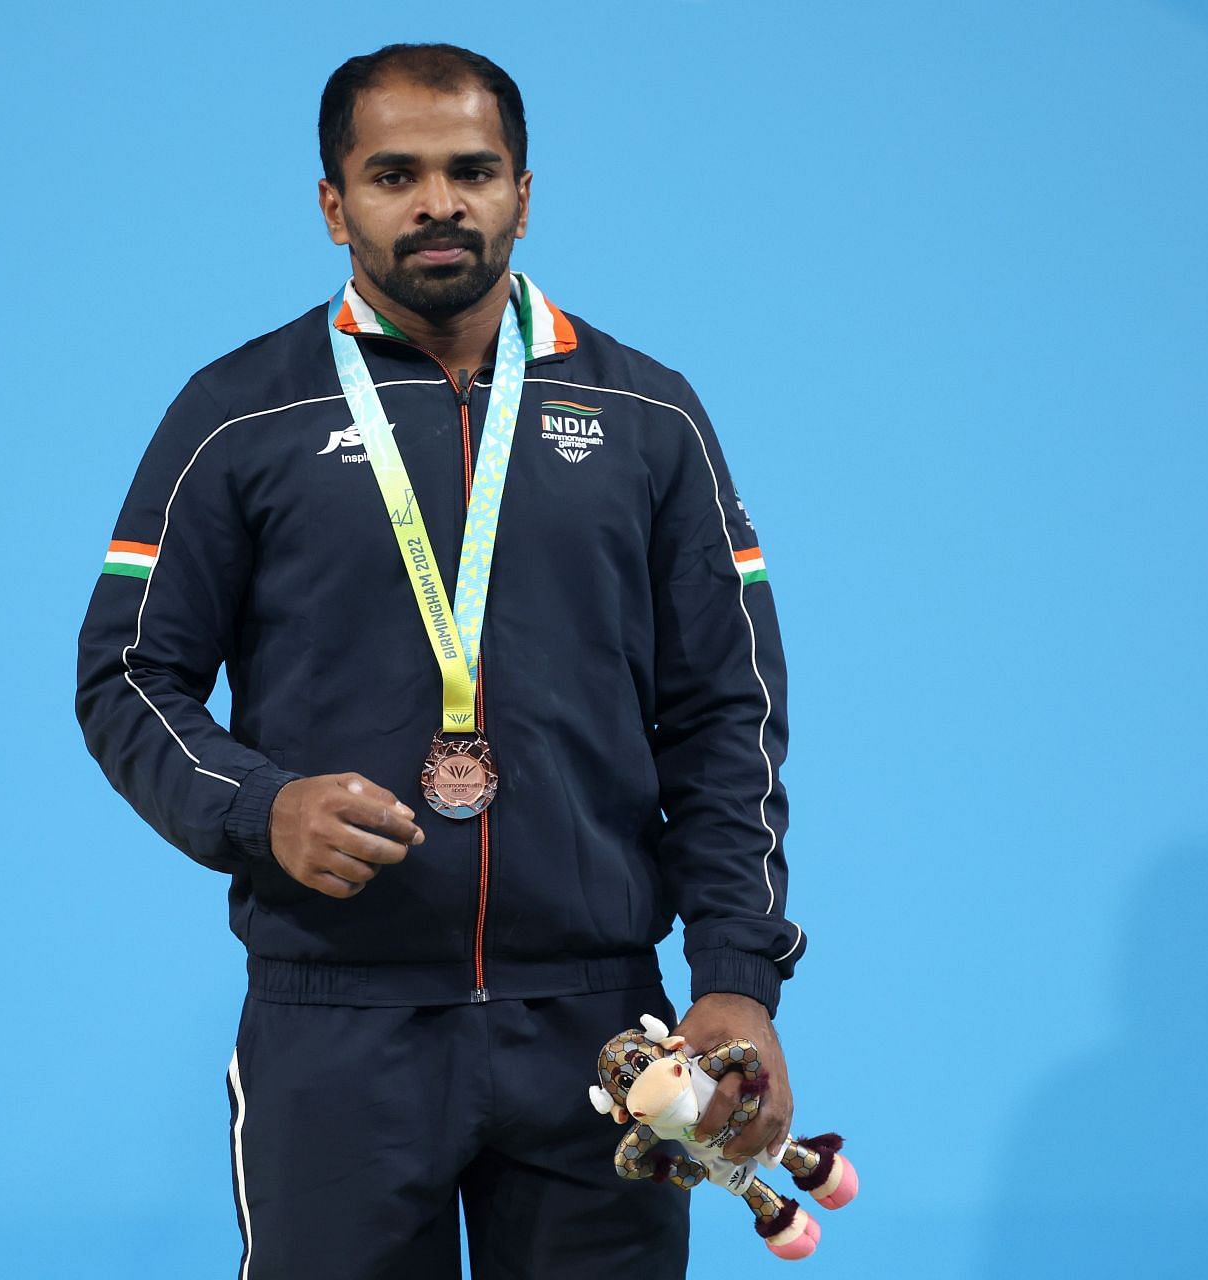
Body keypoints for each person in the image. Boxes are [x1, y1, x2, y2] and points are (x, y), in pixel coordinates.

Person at [75, 42, 806, 1279]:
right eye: (392, 173)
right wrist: (261, 807)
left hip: (599, 1030)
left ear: (525, 190)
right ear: (332, 204)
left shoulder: (647, 415)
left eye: (472, 170)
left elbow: (725, 711)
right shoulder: (242, 411)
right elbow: (127, 673)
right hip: (338, 1026)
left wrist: (735, 975)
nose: (437, 203)